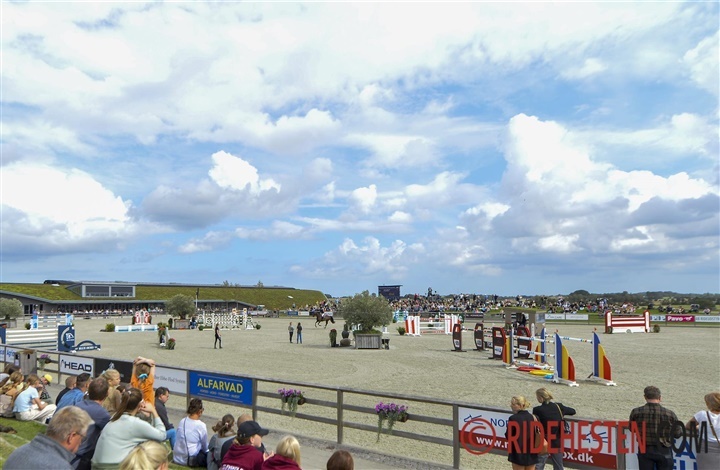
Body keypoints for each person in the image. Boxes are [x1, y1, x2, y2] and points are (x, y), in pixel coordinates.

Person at [92, 387, 167, 468]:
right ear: (141, 404)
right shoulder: (134, 423)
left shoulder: (115, 417)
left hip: (95, 465)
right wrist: (154, 411)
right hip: (113, 466)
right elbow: (162, 435)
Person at [4, 406, 94, 470]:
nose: (81, 442)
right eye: (82, 438)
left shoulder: (19, 452)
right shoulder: (61, 467)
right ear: (71, 436)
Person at [629, 385, 682, 470]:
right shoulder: (669, 414)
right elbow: (677, 434)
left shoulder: (636, 412)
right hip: (664, 449)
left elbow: (632, 429)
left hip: (645, 448)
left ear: (645, 397)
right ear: (660, 398)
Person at [72, 377, 111, 470]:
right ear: (107, 394)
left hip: (69, 451)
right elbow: (110, 434)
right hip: (82, 457)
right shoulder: (102, 414)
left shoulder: (77, 405)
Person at [533, 387, 576, 470]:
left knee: (539, 465)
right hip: (557, 440)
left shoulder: (537, 410)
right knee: (558, 465)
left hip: (544, 440)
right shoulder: (558, 406)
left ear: (541, 398)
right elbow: (573, 411)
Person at [686, 391, 720, 469]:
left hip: (705, 448)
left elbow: (688, 426)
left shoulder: (702, 414)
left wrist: (699, 428)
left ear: (709, 404)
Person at [173, 397, 209, 467]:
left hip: (177, 457)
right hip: (189, 459)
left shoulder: (182, 421)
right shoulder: (201, 425)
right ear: (200, 411)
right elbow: (205, 446)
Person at [507, 395, 539, 470]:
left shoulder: (513, 418)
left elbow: (509, 436)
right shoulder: (534, 417)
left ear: (520, 405)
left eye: (513, 404)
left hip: (518, 452)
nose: (511, 405)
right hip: (531, 452)